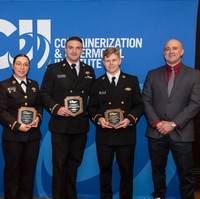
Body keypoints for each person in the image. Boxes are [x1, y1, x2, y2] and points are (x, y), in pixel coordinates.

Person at [142, 39, 200, 199]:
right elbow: (146, 101)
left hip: (182, 133)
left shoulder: (195, 75)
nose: (171, 51)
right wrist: (158, 123)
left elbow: (196, 103)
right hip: (156, 132)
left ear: (182, 52)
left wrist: (173, 124)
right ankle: (159, 196)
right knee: (157, 170)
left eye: (175, 48)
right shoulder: (152, 74)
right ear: (163, 53)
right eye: (167, 49)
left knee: (186, 174)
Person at [40, 36, 95, 199]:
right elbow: (44, 94)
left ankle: (71, 196)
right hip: (60, 125)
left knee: (74, 164)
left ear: (82, 50)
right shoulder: (53, 69)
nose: (74, 51)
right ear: (65, 49)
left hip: (80, 126)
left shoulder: (88, 70)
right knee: (59, 164)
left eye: (78, 48)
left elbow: (94, 98)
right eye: (70, 47)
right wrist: (56, 108)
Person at [88, 47, 143, 199]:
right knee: (105, 171)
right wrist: (99, 119)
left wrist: (129, 119)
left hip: (126, 135)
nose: (111, 63)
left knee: (126, 172)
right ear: (103, 62)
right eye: (107, 60)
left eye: (114, 60)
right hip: (104, 136)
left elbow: (139, 105)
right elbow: (91, 107)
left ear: (120, 60)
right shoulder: (98, 83)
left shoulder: (131, 80)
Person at [0, 54, 42, 199]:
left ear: (29, 67)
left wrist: (37, 117)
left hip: (32, 136)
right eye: (19, 64)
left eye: (25, 64)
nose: (22, 67)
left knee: (28, 172)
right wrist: (16, 125)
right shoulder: (3, 85)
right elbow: (1, 111)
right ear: (13, 66)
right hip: (13, 136)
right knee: (12, 172)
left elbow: (39, 106)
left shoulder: (34, 85)